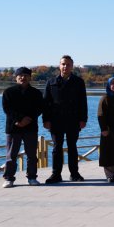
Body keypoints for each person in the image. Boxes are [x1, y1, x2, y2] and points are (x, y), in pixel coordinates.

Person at [43, 55, 88, 183]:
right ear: (59, 65)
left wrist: (83, 119)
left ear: (72, 66)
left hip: (73, 120)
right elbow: (46, 103)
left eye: (68, 64)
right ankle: (56, 174)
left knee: (72, 147)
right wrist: (45, 120)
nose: (65, 66)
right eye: (63, 64)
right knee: (57, 147)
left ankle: (74, 174)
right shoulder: (51, 82)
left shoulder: (78, 82)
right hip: (56, 121)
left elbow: (83, 102)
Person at [1, 67, 43, 188]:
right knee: (11, 155)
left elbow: (39, 108)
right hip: (13, 128)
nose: (23, 78)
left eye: (26, 75)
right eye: (20, 75)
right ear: (16, 77)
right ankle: (9, 178)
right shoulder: (8, 92)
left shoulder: (36, 93)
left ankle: (32, 177)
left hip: (30, 127)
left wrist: (28, 119)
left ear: (30, 77)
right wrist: (18, 120)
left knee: (31, 155)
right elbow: (7, 109)